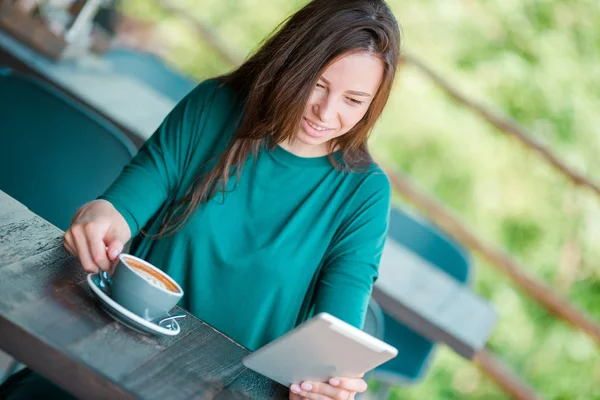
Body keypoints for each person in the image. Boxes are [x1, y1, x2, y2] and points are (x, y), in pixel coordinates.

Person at [1, 1, 401, 399]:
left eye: (353, 100)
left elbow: (336, 343)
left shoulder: (364, 194)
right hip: (109, 362)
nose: (326, 113)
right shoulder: (214, 105)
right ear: (290, 64)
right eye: (317, 84)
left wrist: (325, 388)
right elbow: (133, 194)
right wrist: (101, 216)